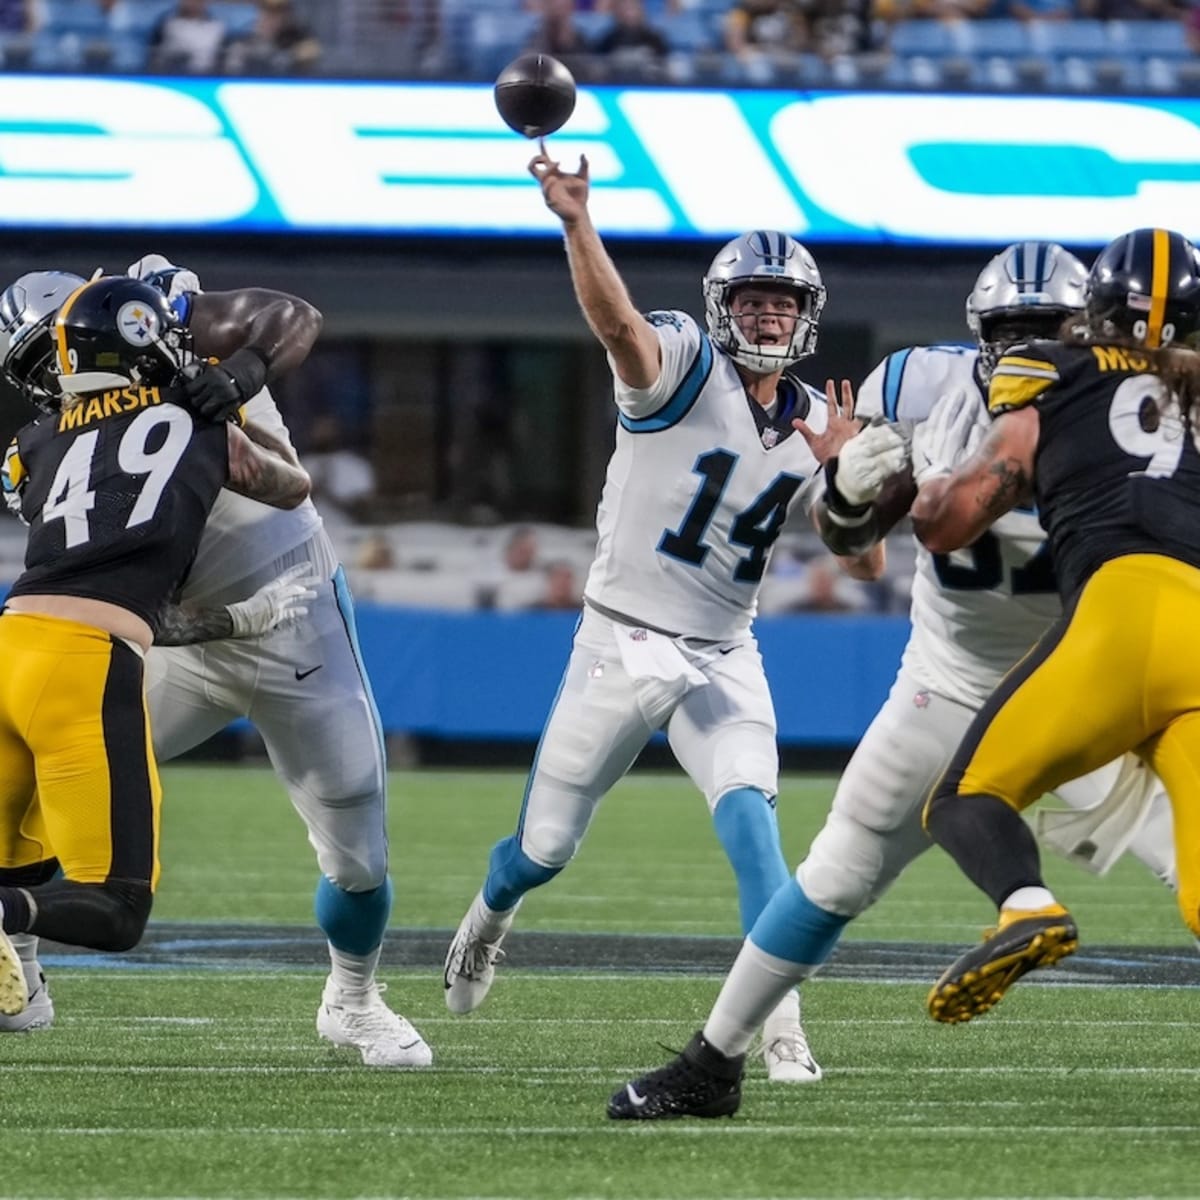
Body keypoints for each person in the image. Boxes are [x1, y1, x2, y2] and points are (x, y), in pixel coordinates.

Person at [606, 239, 1178, 1119]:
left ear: (1085, 328)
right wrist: (846, 493)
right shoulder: (926, 387)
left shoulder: (1065, 404)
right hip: (982, 679)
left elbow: (939, 524)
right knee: (833, 873)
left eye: (1045, 329)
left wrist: (885, 486)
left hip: (1081, 682)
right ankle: (712, 1061)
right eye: (1008, 329)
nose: (1024, 344)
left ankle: (715, 1060)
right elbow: (857, 549)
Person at [442, 143, 896, 1085]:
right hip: (621, 638)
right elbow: (616, 326)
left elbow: (866, 559)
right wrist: (577, 222)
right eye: (752, 300)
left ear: (808, 319)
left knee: (755, 833)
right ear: (722, 308)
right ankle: (489, 915)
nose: (767, 313)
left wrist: (853, 474)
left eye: (783, 302)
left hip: (725, 649)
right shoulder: (683, 366)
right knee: (543, 849)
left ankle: (779, 1028)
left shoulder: (822, 418)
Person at [0, 257, 432, 1069]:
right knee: (40, 773)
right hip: (176, 637)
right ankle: (21, 972)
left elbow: (290, 313)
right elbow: (117, 598)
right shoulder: (58, 444)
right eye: (36, 368)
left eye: (53, 356)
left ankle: (354, 997)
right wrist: (226, 619)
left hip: (296, 622)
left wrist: (237, 377)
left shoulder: (171, 323)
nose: (55, 382)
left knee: (357, 843)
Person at [907, 226, 1200, 1023]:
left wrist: (921, 484)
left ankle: (1028, 906)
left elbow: (952, 522)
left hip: (1119, 611)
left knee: (967, 799)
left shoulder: (1052, 369)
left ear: (1093, 307)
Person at [0, 274, 310, 1019]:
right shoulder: (193, 413)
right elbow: (292, 485)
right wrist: (223, 394)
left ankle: (23, 995)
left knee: (17, 851)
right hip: (84, 662)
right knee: (115, 904)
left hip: (11, 643)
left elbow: (90, 567)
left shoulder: (30, 447)